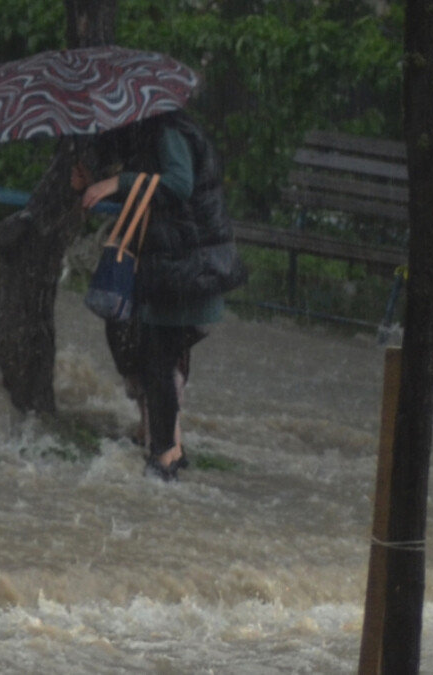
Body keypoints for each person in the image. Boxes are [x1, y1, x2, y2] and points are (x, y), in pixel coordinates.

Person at [77, 110, 246, 481]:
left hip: (191, 267)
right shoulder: (154, 135)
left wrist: (117, 182)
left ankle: (165, 456)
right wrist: (100, 183)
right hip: (181, 265)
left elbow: (179, 184)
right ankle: (169, 450)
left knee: (158, 356)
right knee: (156, 355)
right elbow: (153, 195)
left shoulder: (170, 132)